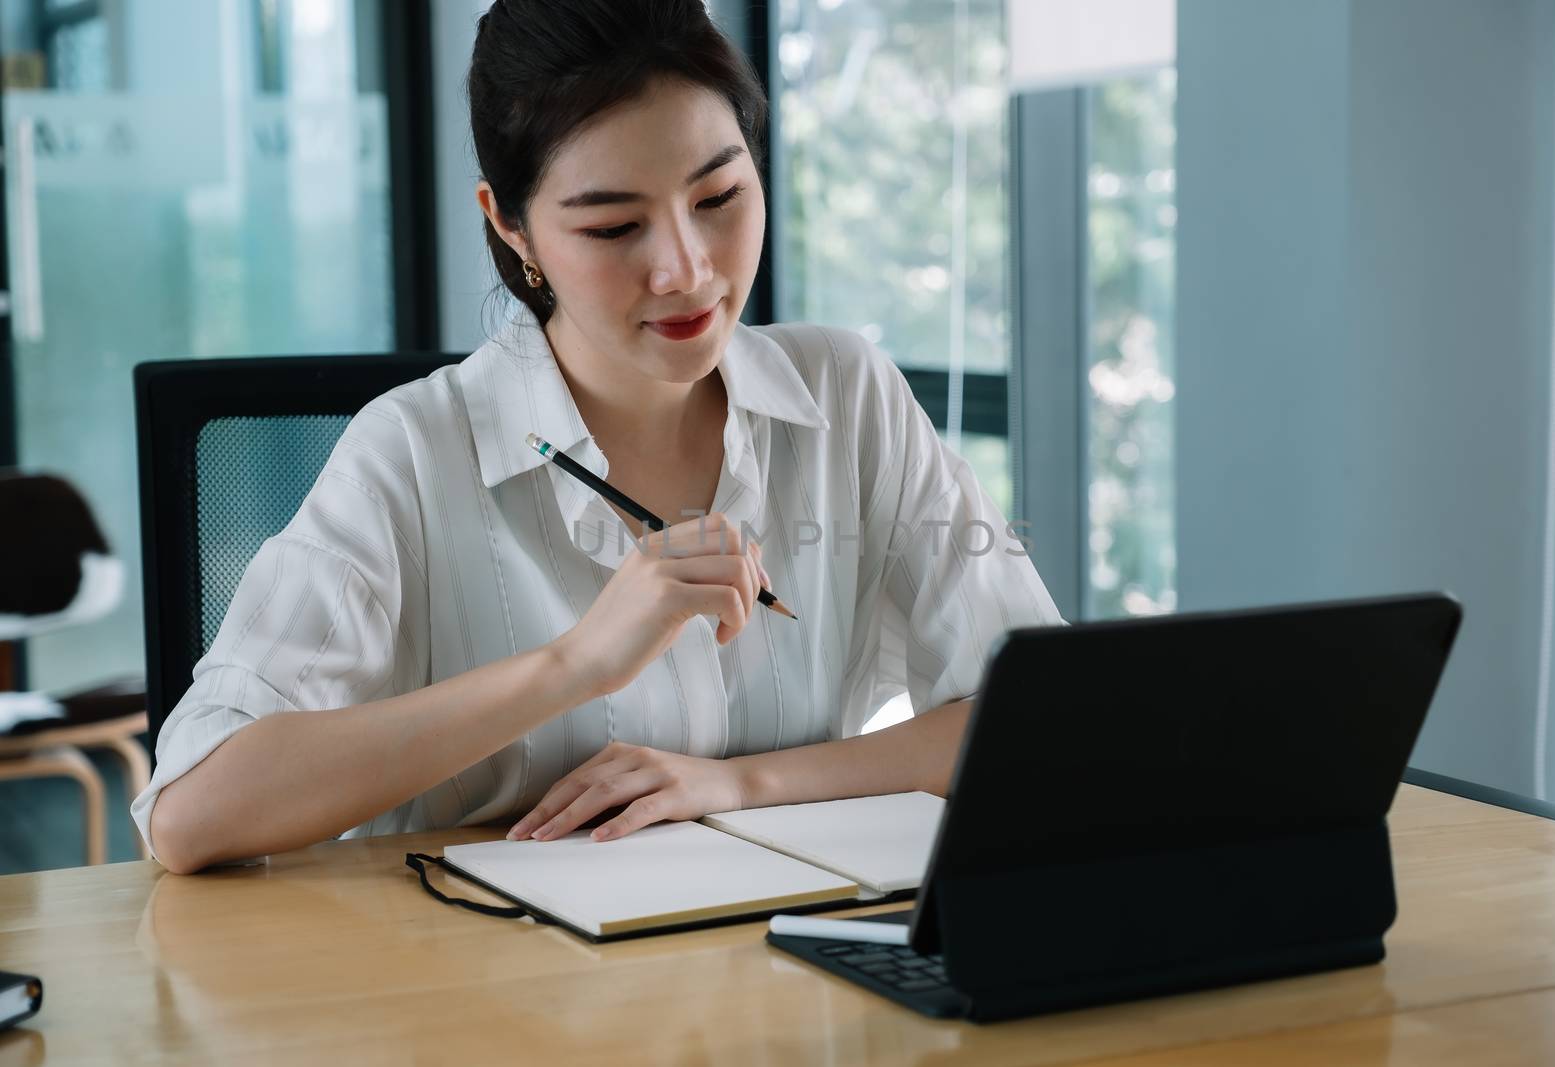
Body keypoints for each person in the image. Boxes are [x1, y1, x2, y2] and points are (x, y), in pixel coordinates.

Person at [134, 0, 1062, 875]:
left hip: (780, 971)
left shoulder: (847, 392)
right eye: (615, 225)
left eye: (720, 196)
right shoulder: (414, 449)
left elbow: (1034, 717)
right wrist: (575, 663)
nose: (686, 270)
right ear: (510, 222)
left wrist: (735, 785)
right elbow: (193, 811)